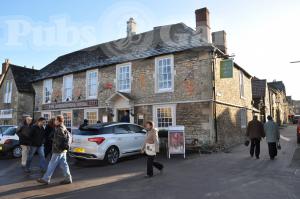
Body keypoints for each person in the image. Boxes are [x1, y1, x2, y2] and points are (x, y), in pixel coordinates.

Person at [37, 115, 72, 185]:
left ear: (59, 121)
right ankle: (68, 178)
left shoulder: (59, 129)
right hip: (63, 150)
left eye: (55, 120)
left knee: (51, 164)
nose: (54, 121)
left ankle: (46, 179)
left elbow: (58, 141)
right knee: (64, 164)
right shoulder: (63, 127)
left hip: (58, 150)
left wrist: (54, 144)